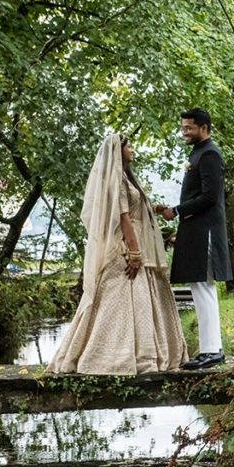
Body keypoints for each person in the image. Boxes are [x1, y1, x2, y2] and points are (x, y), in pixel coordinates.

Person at [47, 135, 188, 375]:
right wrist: (134, 253)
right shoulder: (115, 180)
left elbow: (134, 212)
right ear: (117, 151)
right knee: (116, 303)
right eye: (129, 146)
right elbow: (124, 220)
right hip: (125, 249)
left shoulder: (125, 177)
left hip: (135, 245)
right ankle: (116, 357)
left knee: (136, 303)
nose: (133, 149)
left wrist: (154, 212)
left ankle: (142, 355)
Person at [157, 108, 231, 370]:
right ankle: (210, 348)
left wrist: (177, 211)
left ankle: (212, 351)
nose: (184, 132)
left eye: (188, 128)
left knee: (204, 288)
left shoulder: (209, 153)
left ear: (203, 127)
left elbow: (210, 197)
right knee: (201, 288)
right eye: (183, 128)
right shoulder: (198, 152)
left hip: (206, 232)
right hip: (196, 230)